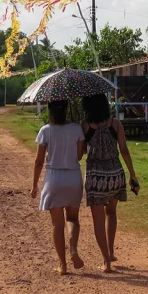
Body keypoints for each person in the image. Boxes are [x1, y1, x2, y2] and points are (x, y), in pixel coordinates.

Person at [81, 94, 139, 273]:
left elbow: (82, 152)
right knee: (111, 213)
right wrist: (132, 175)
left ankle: (106, 261)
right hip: (115, 174)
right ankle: (111, 251)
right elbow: (124, 150)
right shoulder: (115, 124)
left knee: (98, 220)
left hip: (96, 177)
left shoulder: (85, 125)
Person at [30, 100, 86, 276]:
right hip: (73, 177)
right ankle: (74, 249)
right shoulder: (76, 128)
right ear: (67, 108)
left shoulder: (45, 131)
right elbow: (79, 155)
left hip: (54, 178)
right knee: (73, 219)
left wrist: (34, 186)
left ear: (49, 110)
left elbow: (39, 161)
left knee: (57, 224)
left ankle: (62, 265)